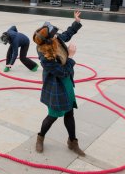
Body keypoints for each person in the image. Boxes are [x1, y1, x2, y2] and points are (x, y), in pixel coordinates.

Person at [32, 11, 85, 156]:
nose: (57, 35)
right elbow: (62, 72)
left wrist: (76, 22)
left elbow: (67, 34)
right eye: (54, 34)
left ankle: (72, 142)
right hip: (55, 86)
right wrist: (71, 56)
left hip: (66, 83)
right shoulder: (45, 57)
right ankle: (40, 137)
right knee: (53, 115)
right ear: (48, 40)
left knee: (69, 112)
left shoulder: (55, 40)